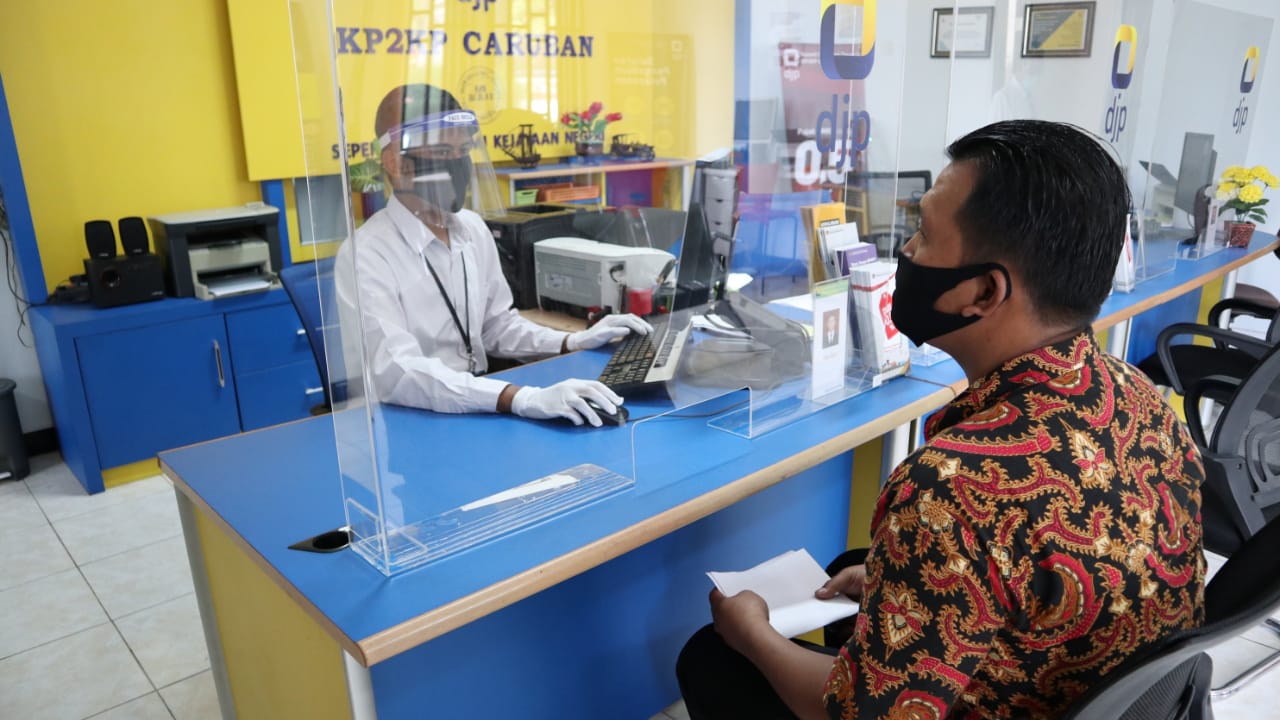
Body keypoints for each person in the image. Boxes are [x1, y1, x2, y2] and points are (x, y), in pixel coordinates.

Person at [675, 120, 1206, 719]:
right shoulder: (1138, 396)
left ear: (982, 292)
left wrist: (751, 632)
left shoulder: (952, 488)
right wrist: (910, 580)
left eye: (924, 234)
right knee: (851, 571)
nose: (905, 252)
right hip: (1105, 694)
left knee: (712, 658)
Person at [335, 84, 650, 427]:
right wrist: (519, 397)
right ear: (397, 164)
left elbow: (496, 326)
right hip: (403, 421)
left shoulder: (471, 228)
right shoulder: (366, 254)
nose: (458, 164)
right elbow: (397, 372)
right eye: (443, 151)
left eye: (463, 150)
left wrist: (572, 340)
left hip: (476, 403)